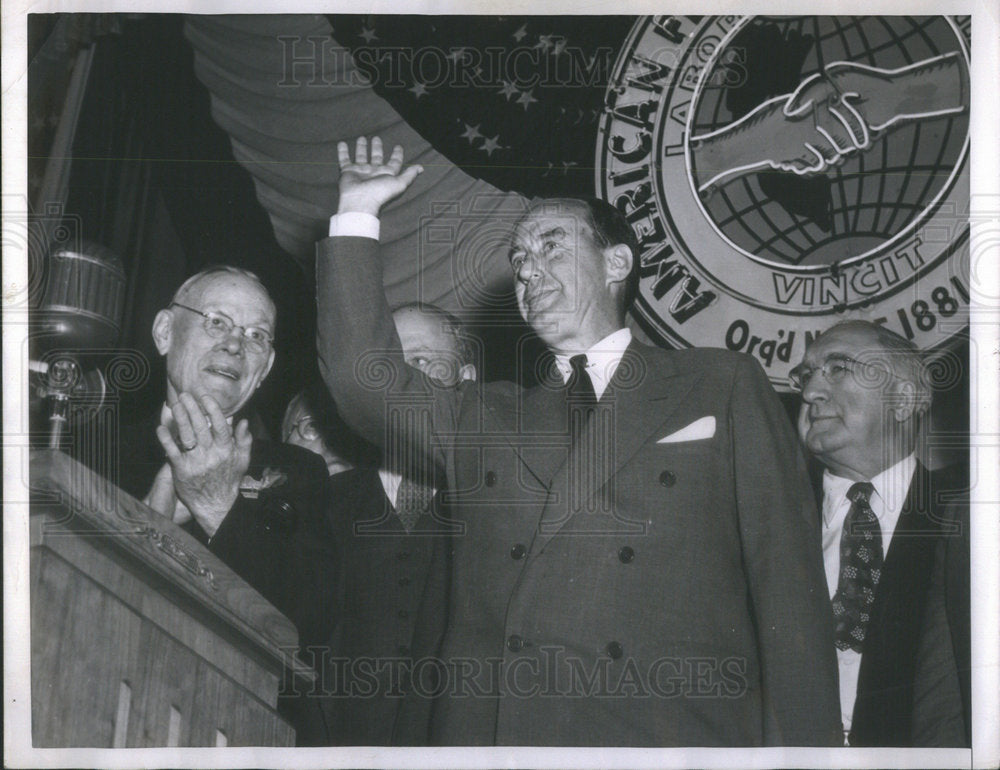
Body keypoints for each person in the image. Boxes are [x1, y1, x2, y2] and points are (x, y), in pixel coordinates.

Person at [315, 136, 841, 746]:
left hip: (669, 738)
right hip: (502, 740)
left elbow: (789, 594)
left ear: (617, 264)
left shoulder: (718, 383)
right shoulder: (484, 414)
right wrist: (357, 213)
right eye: (518, 261)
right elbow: (361, 382)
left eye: (550, 247)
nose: (528, 270)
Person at [116, 266, 339, 673]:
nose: (235, 344)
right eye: (216, 322)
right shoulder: (89, 444)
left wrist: (217, 504)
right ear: (165, 333)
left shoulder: (300, 472)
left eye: (256, 335)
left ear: (265, 368)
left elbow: (309, 631)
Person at [284, 306, 476, 745]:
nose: (404, 376)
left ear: (466, 379)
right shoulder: (322, 502)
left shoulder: (490, 509)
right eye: (391, 361)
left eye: (424, 360)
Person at [792, 320, 970, 746]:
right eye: (806, 375)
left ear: (904, 399)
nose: (810, 392)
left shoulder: (968, 517)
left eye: (838, 368)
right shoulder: (769, 519)